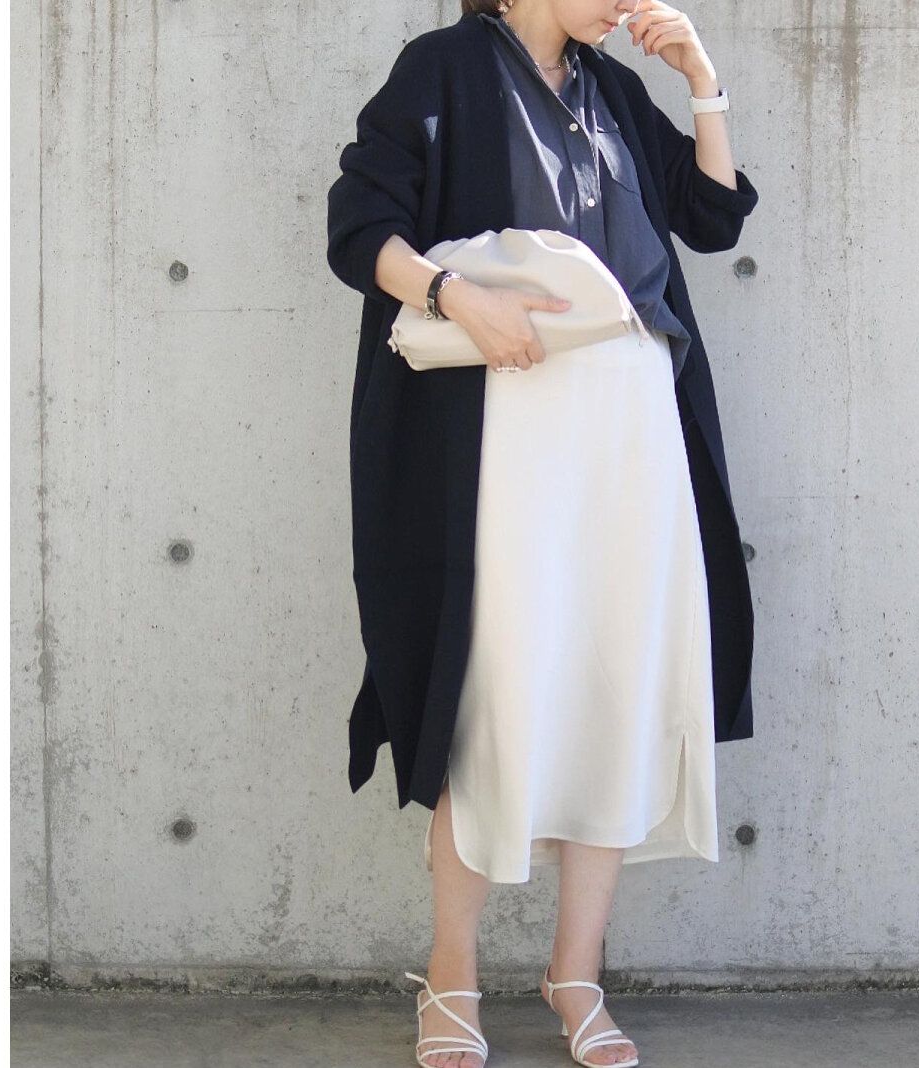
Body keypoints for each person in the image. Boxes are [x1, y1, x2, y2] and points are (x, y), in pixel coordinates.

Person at [325, 3, 759, 1066]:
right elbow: (359, 226)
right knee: (495, 692)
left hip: (632, 420)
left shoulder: (613, 89)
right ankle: (451, 977)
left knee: (614, 686)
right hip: (508, 425)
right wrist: (454, 296)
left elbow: (710, 219)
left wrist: (701, 82)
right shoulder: (443, 68)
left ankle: (577, 977)